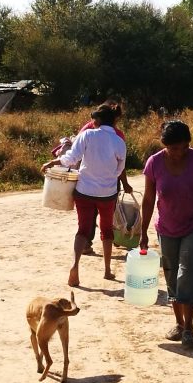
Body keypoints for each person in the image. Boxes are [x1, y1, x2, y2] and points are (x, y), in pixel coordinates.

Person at [140, 120, 193, 349]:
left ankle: (189, 328)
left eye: (182, 147)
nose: (178, 153)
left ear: (189, 143)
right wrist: (143, 232)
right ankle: (178, 323)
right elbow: (148, 200)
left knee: (187, 272)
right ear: (164, 145)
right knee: (171, 276)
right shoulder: (154, 163)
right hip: (166, 228)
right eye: (172, 148)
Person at [42, 105, 132, 287]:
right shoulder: (119, 142)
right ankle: (107, 271)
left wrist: (53, 161)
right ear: (114, 120)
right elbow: (119, 169)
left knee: (82, 230)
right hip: (107, 193)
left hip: (84, 191)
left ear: (97, 121)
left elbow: (71, 158)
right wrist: (107, 178)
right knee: (106, 230)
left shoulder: (87, 135)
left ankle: (75, 267)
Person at [76, 100, 127, 255]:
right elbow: (121, 166)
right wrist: (119, 179)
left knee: (86, 221)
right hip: (108, 186)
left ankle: (84, 244)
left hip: (85, 184)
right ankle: (107, 266)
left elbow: (75, 154)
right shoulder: (118, 136)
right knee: (107, 222)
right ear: (114, 119)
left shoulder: (87, 130)